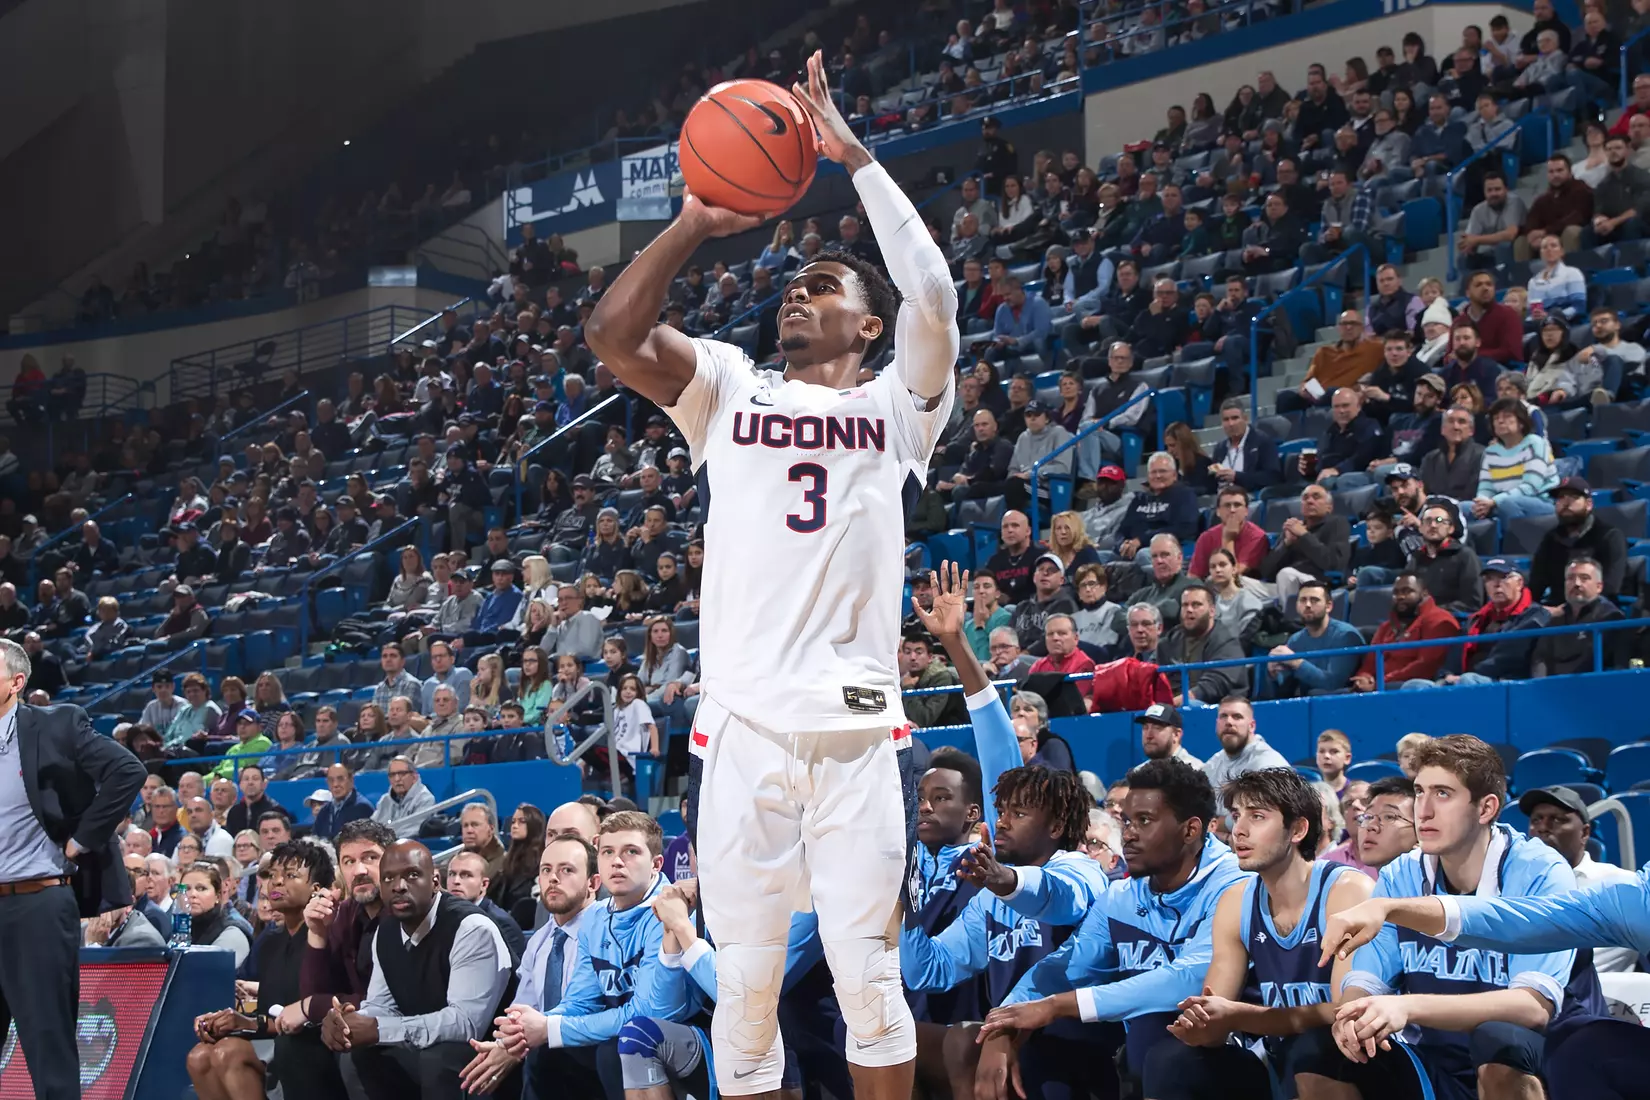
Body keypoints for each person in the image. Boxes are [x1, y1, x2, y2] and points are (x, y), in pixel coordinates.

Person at [1302, 735, 1604, 1100]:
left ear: (1486, 808)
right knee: (1316, 1050)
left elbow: (1531, 1007)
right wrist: (1354, 1016)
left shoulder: (1539, 871)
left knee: (1497, 1038)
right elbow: (1366, 980)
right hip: (1439, 1058)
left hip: (1547, 1057)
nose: (1423, 810)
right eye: (1419, 792)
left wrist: (1406, 1006)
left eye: (1443, 794)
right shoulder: (1402, 875)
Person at [971, 760, 1247, 1096]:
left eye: (1144, 821)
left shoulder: (1235, 885)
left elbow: (1188, 980)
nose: (1128, 833)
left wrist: (1055, 1005)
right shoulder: (1122, 896)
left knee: (1157, 1037)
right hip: (1147, 1054)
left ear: (1190, 829)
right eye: (1127, 820)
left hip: (1241, 1049)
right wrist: (1001, 1027)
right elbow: (1064, 967)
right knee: (1040, 1049)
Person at [1163, 769, 1374, 1100]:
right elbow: (1218, 1005)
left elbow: (1346, 1011)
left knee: (1314, 1049)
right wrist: (1202, 1025)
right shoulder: (1235, 901)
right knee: (1171, 1061)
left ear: (1298, 829)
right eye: (1236, 816)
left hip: (1357, 1057)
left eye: (1257, 816)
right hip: (1277, 1055)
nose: (1239, 830)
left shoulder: (1347, 890)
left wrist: (1242, 1016)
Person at [0, 637, 146, 1100]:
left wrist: (82, 840)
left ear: (16, 682)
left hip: (37, 902)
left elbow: (128, 771)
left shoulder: (56, 725)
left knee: (47, 1040)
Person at [492, 812, 673, 1098]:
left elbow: (647, 1012)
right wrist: (528, 1030)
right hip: (624, 1037)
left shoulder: (669, 910)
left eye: (631, 852)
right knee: (546, 1052)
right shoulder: (598, 918)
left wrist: (550, 1027)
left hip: (678, 1038)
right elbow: (579, 1001)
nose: (617, 861)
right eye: (608, 852)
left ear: (656, 864)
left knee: (616, 1050)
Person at [322, 839, 513, 1099]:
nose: (399, 886)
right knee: (359, 1053)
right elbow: (382, 1005)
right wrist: (350, 1022)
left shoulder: (471, 928)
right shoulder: (385, 931)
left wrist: (378, 1028)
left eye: (411, 875)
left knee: (442, 1058)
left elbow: (466, 1025)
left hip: (492, 1057)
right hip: (429, 1050)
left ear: (435, 881)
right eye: (389, 879)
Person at [186, 840, 336, 1100]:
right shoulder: (270, 941)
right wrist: (234, 1021)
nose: (276, 883)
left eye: (290, 875)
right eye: (271, 875)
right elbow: (271, 1016)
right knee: (198, 1056)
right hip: (277, 1040)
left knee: (228, 1053)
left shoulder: (326, 936)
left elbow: (312, 1015)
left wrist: (245, 1023)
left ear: (316, 889)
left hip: (314, 1044)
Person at [460, 834, 602, 1098]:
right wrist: (505, 1044)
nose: (553, 878)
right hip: (545, 1053)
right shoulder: (539, 940)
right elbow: (523, 1008)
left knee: (540, 1058)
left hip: (595, 1049)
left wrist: (521, 1043)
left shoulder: (607, 929)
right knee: (475, 1069)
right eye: (546, 870)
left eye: (567, 870)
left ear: (593, 883)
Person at [1517, 784, 1641, 971]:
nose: (1543, 828)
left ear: (1584, 833)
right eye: (1536, 820)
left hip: (1606, 994)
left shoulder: (1619, 884)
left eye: (1556, 820)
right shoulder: (1516, 886)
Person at [1528, 476, 1628, 603]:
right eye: (1561, 498)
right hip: (1556, 612)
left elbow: (1611, 587)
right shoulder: (1551, 538)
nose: (1566, 503)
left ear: (1589, 504)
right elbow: (1536, 583)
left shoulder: (1609, 536)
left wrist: (1568, 610)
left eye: (1574, 497)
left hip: (1598, 611)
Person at [1531, 557, 1626, 677]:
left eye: (1584, 578)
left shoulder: (1611, 618)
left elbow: (1617, 666)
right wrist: (1540, 685)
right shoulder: (1555, 618)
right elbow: (1540, 658)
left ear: (1599, 587)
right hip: (1552, 689)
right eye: (1570, 578)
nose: (1576, 584)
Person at [1267, 581, 1366, 697]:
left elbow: (1333, 684)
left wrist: (1296, 661)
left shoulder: (1346, 636)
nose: (1308, 605)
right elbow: (1286, 690)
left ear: (1328, 606)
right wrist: (1274, 674)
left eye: (1314, 600)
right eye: (1303, 600)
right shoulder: (1295, 640)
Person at [1201, 697, 1289, 811]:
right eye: (1223, 716)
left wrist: (1219, 823)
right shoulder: (1214, 763)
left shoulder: (1268, 763)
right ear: (1216, 723)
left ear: (1251, 726)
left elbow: (1269, 816)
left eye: (1237, 717)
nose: (1229, 722)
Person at [372, 757, 437, 838]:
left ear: (414, 776)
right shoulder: (384, 800)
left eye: (402, 774)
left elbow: (414, 831)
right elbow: (372, 827)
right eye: (392, 775)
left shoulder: (425, 799)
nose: (397, 779)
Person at [1136, 702, 1201, 767]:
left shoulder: (1196, 771)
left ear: (1176, 735)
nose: (1148, 736)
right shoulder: (1138, 772)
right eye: (1145, 727)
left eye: (1157, 728)